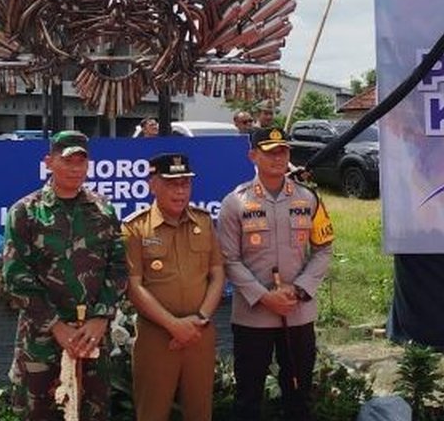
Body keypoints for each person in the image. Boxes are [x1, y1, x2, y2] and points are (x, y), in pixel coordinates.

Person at [3, 130, 129, 420]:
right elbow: (16, 277)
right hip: (43, 341)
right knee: (42, 413)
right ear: (49, 162)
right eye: (67, 161)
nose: (75, 169)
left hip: (92, 339)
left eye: (81, 162)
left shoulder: (103, 210)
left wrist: (101, 318)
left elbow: (118, 267)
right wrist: (58, 327)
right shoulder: (26, 212)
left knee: (92, 411)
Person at [218, 127, 334, 421]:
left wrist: (298, 289)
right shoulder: (235, 202)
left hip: (297, 313)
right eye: (270, 152)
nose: (278, 158)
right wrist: (264, 296)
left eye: (283, 151)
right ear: (253, 156)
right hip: (253, 316)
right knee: (248, 396)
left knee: (299, 393)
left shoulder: (309, 199)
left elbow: (323, 250)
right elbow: (228, 259)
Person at [123, 153, 225, 421]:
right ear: (152, 184)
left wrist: (201, 318)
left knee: (200, 411)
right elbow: (134, 286)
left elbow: (217, 273)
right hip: (158, 337)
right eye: (171, 184)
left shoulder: (204, 222)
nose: (180, 191)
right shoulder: (135, 228)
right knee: (152, 412)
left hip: (199, 334)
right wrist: (173, 324)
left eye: (185, 184)